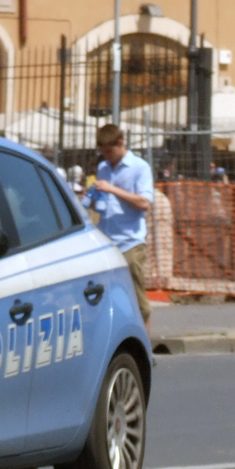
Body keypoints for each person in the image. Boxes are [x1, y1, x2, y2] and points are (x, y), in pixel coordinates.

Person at [83, 124, 153, 329]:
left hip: (130, 242)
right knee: (108, 301)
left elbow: (144, 203)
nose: (106, 156)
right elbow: (103, 202)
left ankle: (146, 353)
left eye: (109, 152)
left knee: (138, 302)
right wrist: (94, 197)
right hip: (108, 242)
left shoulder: (139, 168)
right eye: (102, 152)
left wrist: (112, 189)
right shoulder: (104, 167)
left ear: (120, 144)